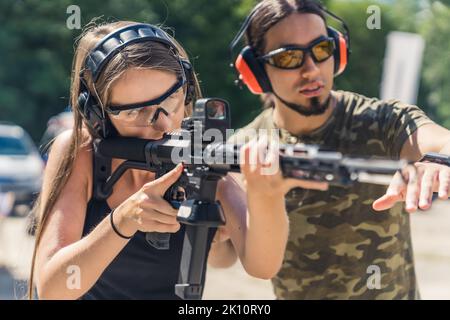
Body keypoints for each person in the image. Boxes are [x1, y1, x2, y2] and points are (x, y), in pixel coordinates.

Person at [29, 20, 327, 300]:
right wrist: (122, 221)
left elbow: (262, 266)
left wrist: (267, 195)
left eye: (171, 100)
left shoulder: (201, 152)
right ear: (98, 116)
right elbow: (53, 287)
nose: (161, 124)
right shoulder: (82, 151)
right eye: (134, 113)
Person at [229, 0, 450, 299]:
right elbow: (226, 257)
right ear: (256, 71)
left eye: (321, 50)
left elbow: (441, 141)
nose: (311, 70)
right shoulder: (241, 153)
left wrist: (438, 160)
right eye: (289, 57)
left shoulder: (382, 120)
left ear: (338, 52)